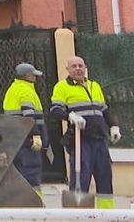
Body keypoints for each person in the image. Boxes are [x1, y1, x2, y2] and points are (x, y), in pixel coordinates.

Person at [49, 55, 120, 195]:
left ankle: (106, 214)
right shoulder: (62, 87)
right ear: (67, 69)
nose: (78, 69)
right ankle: (77, 213)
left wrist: (113, 126)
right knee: (80, 179)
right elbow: (55, 109)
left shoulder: (95, 86)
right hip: (80, 140)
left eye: (80, 66)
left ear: (85, 68)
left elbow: (104, 109)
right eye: (74, 66)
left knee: (105, 178)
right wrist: (69, 116)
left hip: (100, 139)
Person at [2, 62, 50, 186]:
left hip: (14, 138)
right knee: (31, 172)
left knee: (18, 172)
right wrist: (36, 135)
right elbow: (29, 115)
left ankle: (20, 202)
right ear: (26, 76)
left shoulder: (12, 90)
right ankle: (34, 203)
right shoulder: (26, 91)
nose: (35, 77)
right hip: (28, 140)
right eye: (33, 75)